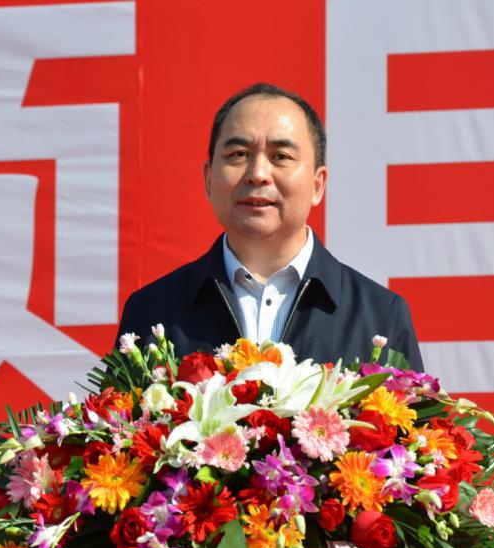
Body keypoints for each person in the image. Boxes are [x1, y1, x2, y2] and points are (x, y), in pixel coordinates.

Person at [116, 83, 423, 369]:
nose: (258, 174)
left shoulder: (381, 316)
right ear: (209, 179)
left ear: (318, 185)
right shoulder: (152, 313)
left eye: (280, 156)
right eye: (238, 155)